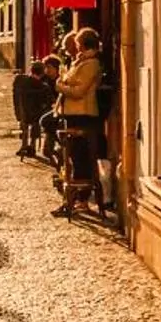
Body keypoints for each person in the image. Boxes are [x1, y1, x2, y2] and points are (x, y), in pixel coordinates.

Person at [53, 29, 104, 218]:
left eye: (77, 43)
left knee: (81, 156)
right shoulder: (80, 61)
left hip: (83, 114)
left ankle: (81, 200)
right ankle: (73, 199)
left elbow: (78, 91)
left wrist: (60, 86)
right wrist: (65, 83)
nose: (76, 47)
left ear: (84, 44)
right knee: (74, 156)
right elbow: (69, 81)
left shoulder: (91, 64)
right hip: (73, 113)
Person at [13, 56, 58, 159]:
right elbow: (51, 102)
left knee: (30, 117)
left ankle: (25, 145)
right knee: (42, 117)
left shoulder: (20, 82)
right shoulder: (44, 87)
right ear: (42, 73)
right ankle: (33, 145)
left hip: (23, 114)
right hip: (37, 117)